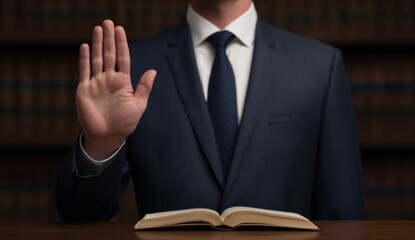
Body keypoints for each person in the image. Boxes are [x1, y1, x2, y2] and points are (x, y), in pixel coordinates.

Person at [56, 0, 367, 222]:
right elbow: (80, 217)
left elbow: (345, 218)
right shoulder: (130, 71)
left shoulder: (319, 67)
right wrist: (101, 144)